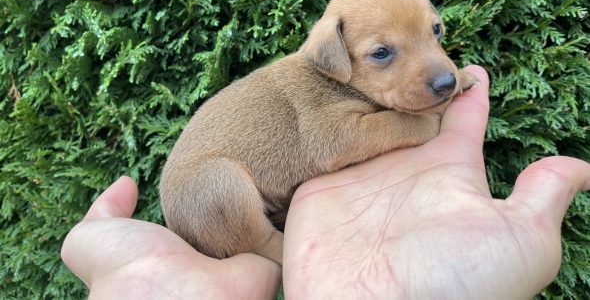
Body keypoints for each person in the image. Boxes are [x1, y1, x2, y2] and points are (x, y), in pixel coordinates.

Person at [62, 66, 590, 299]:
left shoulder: (350, 78)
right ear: (334, 57)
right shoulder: (313, 85)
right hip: (209, 196)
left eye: (433, 34)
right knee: (219, 184)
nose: (435, 67)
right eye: (383, 53)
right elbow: (340, 144)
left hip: (273, 200)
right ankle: (269, 244)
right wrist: (424, 120)